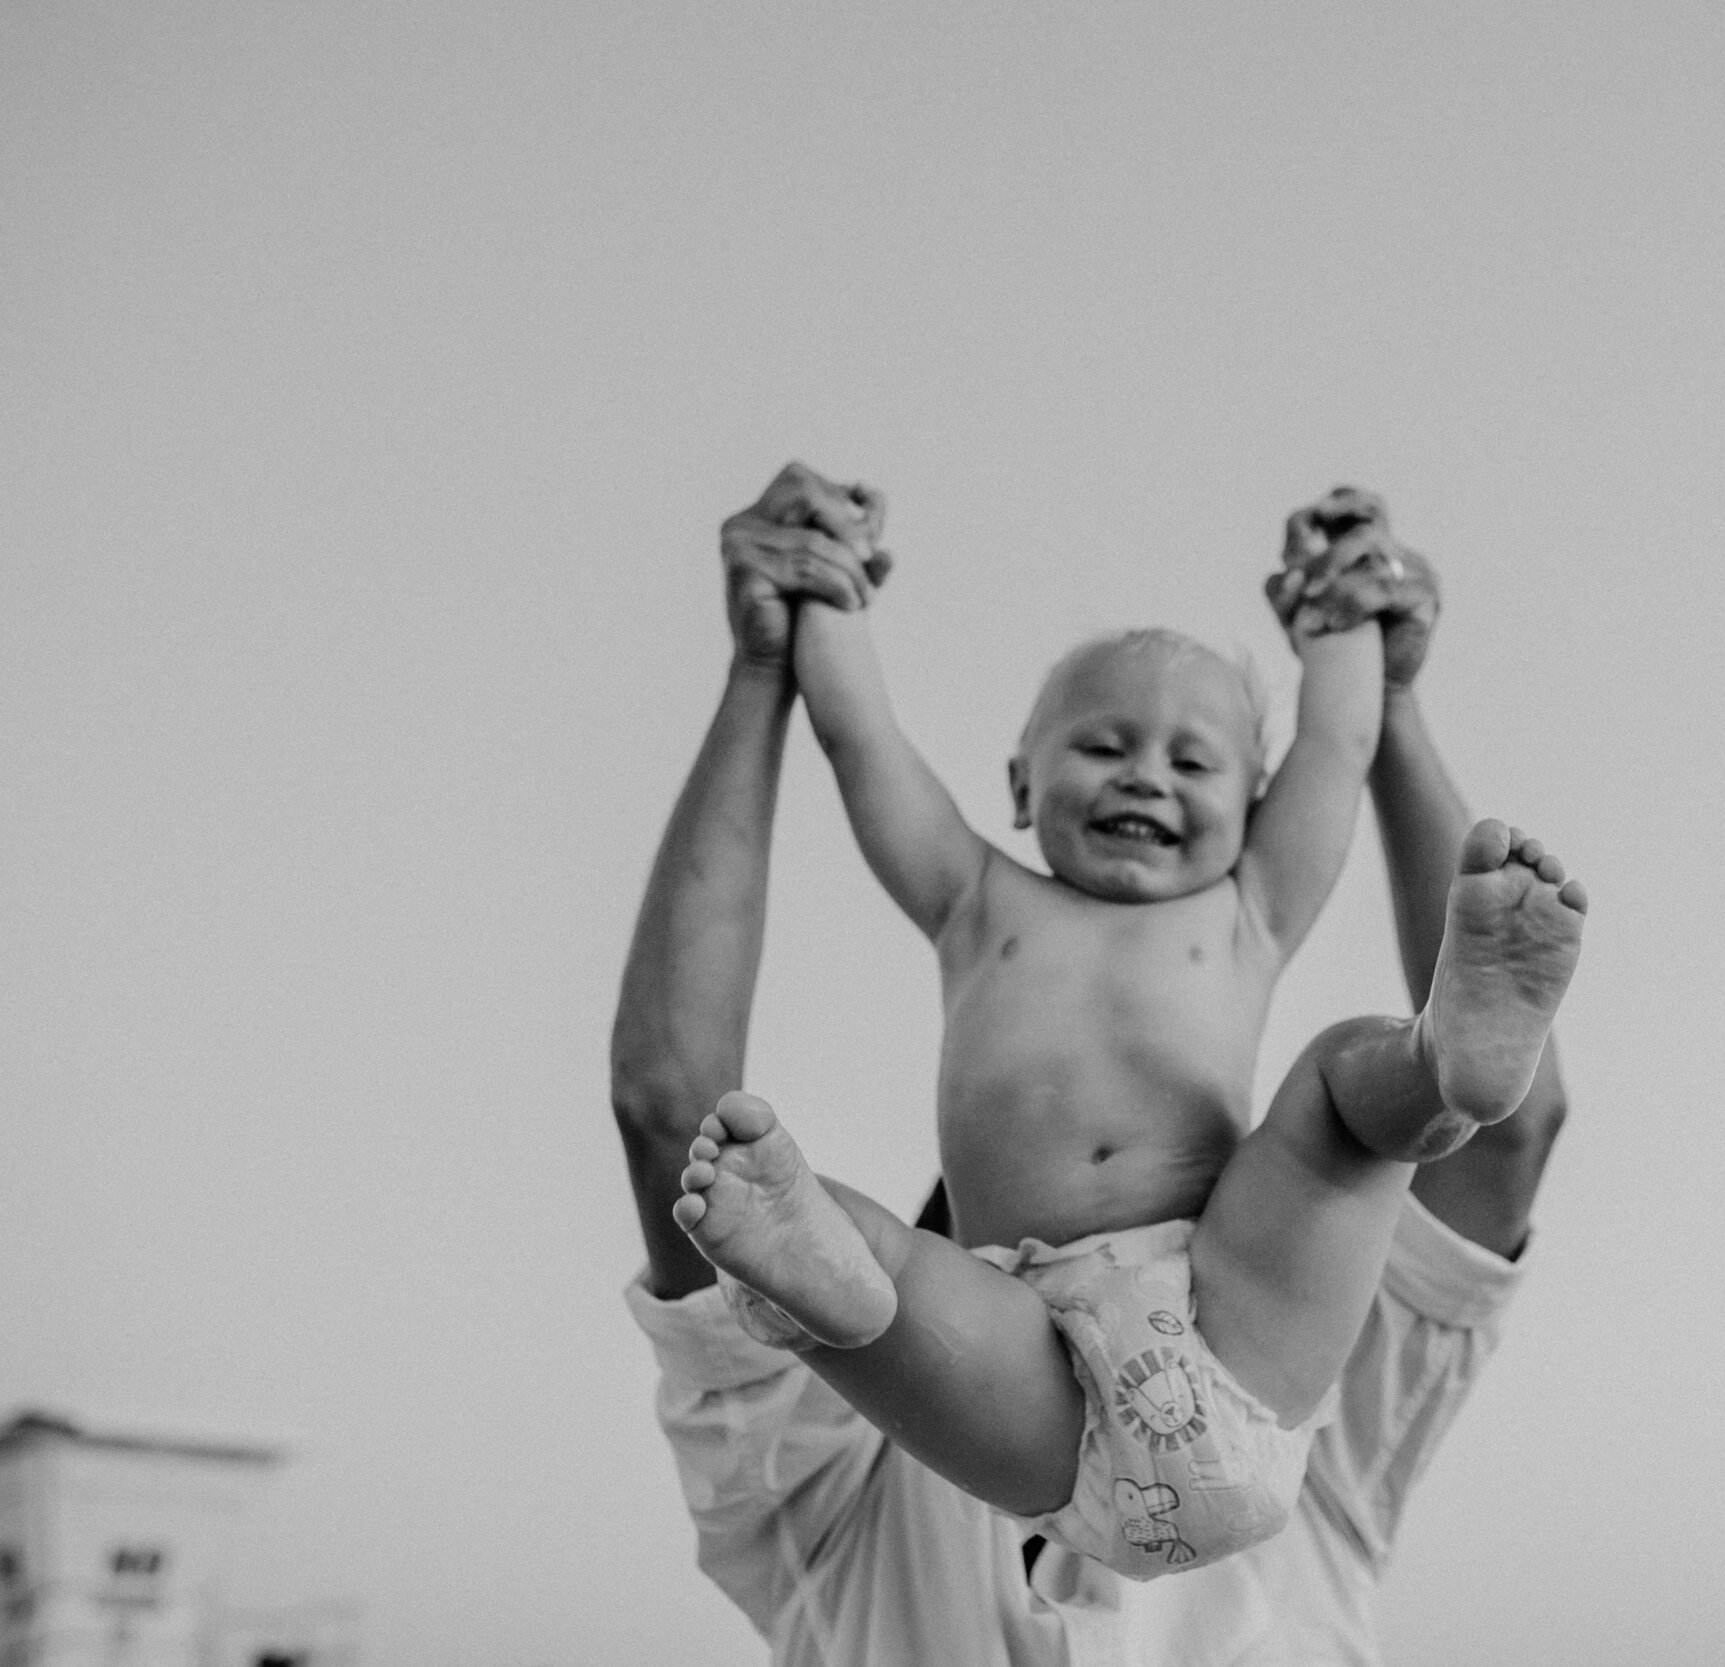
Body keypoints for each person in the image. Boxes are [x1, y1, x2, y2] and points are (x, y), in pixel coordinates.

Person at [612, 463, 1578, 1663]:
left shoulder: (1247, 912)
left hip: (1237, 1333)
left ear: (1248, 805)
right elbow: (862, 745)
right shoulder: (978, 903)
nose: (1143, 775)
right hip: (1034, 1372)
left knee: (1344, 1079)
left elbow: (1336, 748)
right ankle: (841, 1296)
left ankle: (1437, 1062)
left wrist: (1352, 634)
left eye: (1192, 763)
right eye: (1105, 746)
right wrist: (810, 622)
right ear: (1020, 782)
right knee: (869, 1260)